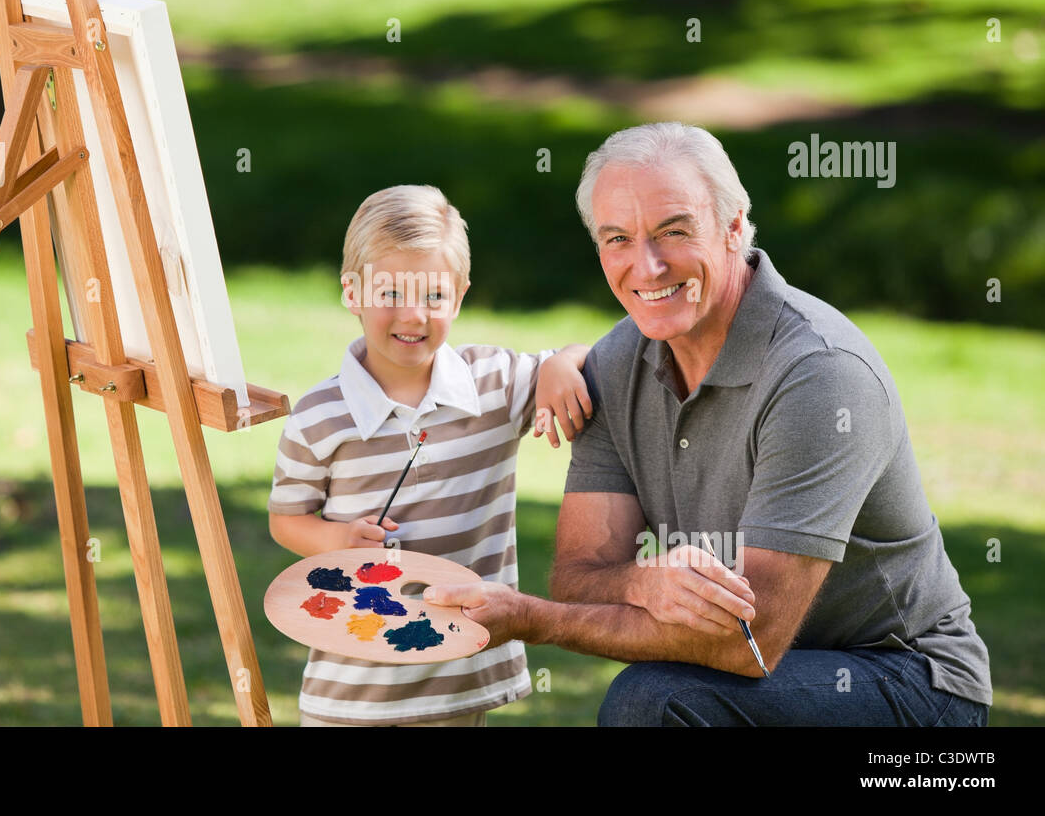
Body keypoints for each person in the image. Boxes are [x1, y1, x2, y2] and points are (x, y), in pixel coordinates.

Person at [424, 122, 993, 726]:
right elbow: (579, 577)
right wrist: (642, 584)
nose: (647, 265)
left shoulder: (819, 376)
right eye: (618, 238)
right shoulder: (616, 365)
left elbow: (747, 640)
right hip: (762, 680)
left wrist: (529, 618)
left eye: (674, 230)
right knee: (662, 694)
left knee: (655, 700)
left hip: (908, 682)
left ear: (734, 226)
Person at [267, 184, 591, 726]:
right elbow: (286, 519)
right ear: (352, 292)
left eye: (433, 295)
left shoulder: (495, 384)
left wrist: (562, 362)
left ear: (459, 294)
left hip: (456, 676)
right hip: (350, 683)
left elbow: (593, 354)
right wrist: (336, 539)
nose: (413, 315)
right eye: (391, 292)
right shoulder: (318, 415)